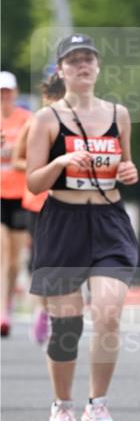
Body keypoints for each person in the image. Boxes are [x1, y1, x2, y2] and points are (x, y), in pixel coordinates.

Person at [26, 34, 139, 421]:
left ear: (99, 66)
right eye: (73, 61)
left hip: (109, 221)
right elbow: (34, 184)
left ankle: (99, 405)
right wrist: (61, 159)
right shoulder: (45, 120)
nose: (82, 66)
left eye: (88, 59)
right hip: (63, 222)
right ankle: (62, 406)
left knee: (109, 312)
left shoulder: (119, 114)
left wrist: (130, 171)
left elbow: (126, 167)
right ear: (61, 70)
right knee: (67, 326)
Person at [12, 110, 49, 344]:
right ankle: (42, 310)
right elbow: (17, 160)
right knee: (41, 259)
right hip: (37, 202)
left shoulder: (81, 122)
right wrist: (45, 167)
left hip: (69, 203)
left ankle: (56, 309)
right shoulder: (34, 122)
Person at [0, 71, 31, 336]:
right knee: (3, 252)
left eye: (7, 91)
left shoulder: (27, 120)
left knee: (15, 260)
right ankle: (1, 311)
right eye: (0, 92)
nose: (4, 96)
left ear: (16, 93)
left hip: (20, 195)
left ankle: (7, 305)